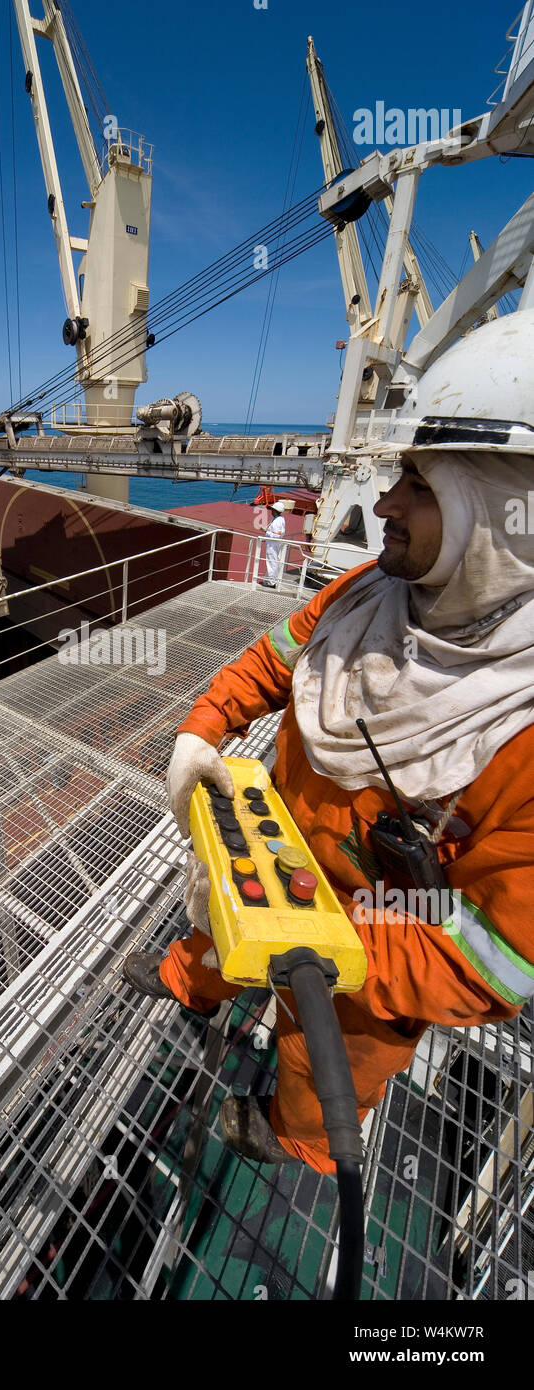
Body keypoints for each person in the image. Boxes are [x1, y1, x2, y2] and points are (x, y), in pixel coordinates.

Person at [123, 309, 534, 1174]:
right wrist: (203, 730)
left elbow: (499, 961)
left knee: (326, 1063)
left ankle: (294, 1134)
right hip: (270, 860)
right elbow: (270, 662)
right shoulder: (362, 596)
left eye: (420, 487)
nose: (383, 503)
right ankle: (188, 985)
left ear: (505, 519)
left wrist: (323, 944)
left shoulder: (522, 739)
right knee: (213, 930)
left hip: (376, 958)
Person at [262, 500, 286, 587]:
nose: (271, 511)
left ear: (275, 511)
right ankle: (268, 580)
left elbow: (277, 535)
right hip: (273, 544)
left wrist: (266, 532)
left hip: (272, 545)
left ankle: (271, 582)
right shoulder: (279, 519)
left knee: (271, 562)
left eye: (272, 509)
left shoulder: (277, 521)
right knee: (272, 562)